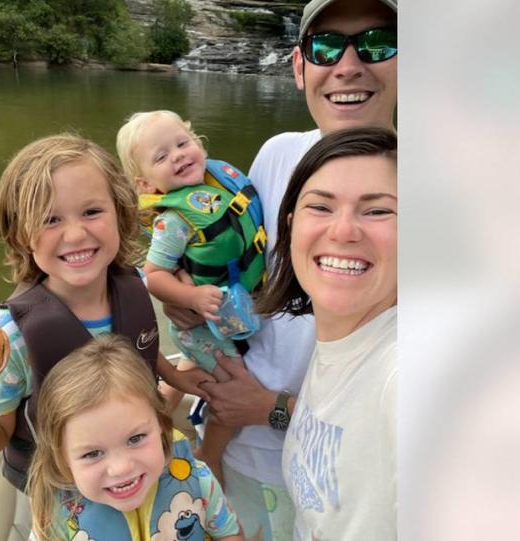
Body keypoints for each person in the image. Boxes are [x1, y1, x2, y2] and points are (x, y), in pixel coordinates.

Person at [161, 1, 399, 539]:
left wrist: (269, 408)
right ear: (299, 67)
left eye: (378, 44)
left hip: (328, 471)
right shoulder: (276, 154)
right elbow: (242, 264)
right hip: (236, 442)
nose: (349, 64)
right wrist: (188, 296)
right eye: (325, 47)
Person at [0, 134, 214, 540]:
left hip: (135, 477)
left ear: (121, 212)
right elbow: (0, 425)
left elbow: (142, 351)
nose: (75, 235)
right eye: (50, 219)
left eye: (92, 211)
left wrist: (179, 378)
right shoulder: (13, 335)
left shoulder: (134, 288)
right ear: (22, 233)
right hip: (55, 500)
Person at [255, 127, 397, 540]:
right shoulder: (342, 344)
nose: (343, 230)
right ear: (290, 226)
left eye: (378, 211)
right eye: (321, 207)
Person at [116, 111, 267, 484]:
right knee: (229, 387)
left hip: (220, 311)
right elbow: (154, 277)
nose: (179, 155)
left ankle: (150, 424)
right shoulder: (175, 221)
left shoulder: (220, 182)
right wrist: (192, 296)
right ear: (144, 182)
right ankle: (209, 454)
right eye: (162, 156)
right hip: (205, 320)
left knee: (185, 367)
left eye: (183, 143)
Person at [26, 335, 244, 541]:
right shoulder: (54, 515)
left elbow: (229, 533)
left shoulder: (199, 480)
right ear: (62, 457)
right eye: (92, 453)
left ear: (160, 423)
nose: (121, 468)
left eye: (135, 439)